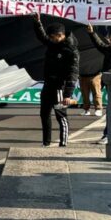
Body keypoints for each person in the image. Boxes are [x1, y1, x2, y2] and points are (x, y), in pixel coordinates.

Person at [32, 13, 78, 147]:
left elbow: (73, 73)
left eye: (52, 37)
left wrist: (68, 94)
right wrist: (37, 23)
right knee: (44, 114)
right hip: (48, 85)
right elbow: (42, 37)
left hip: (60, 88)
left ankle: (63, 143)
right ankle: (46, 142)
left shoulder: (71, 50)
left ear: (60, 35)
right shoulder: (53, 43)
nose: (49, 39)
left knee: (60, 115)